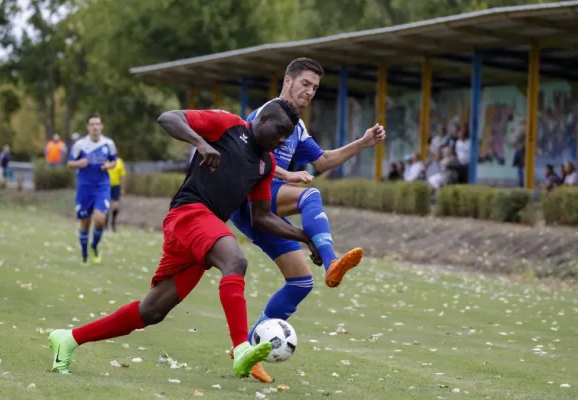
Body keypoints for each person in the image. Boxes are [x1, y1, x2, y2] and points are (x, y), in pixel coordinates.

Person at [48, 99, 322, 379]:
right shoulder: (227, 124)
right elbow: (168, 117)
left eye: (287, 135)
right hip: (187, 214)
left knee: (152, 311)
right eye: (279, 131)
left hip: (203, 231)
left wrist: (304, 236)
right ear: (263, 119)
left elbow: (261, 216)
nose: (281, 139)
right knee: (235, 260)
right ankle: (241, 349)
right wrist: (200, 143)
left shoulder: (266, 163)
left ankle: (67, 339)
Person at [228, 57, 385, 383]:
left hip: (267, 209)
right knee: (310, 196)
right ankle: (331, 262)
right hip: (250, 197)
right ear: (288, 81)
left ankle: (246, 351)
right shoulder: (266, 113)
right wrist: (287, 172)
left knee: (300, 281)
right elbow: (255, 153)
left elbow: (324, 160)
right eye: (305, 84)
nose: (310, 91)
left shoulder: (296, 127)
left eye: (315, 87)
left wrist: (365, 142)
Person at [67, 114, 117, 264]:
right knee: (85, 222)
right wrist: (78, 163)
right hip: (84, 187)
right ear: (87, 127)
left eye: (98, 124)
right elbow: (69, 163)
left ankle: (94, 246)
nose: (95, 127)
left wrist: (109, 165)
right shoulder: (80, 145)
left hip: (102, 186)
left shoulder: (108, 143)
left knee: (100, 219)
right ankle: (84, 254)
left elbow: (114, 161)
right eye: (92, 124)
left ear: (101, 126)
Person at [106, 156, 127, 232]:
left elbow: (123, 176)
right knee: (106, 206)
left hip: (116, 186)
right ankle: (105, 225)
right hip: (105, 186)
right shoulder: (105, 160)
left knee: (116, 206)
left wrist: (122, 189)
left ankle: (113, 223)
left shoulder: (119, 161)